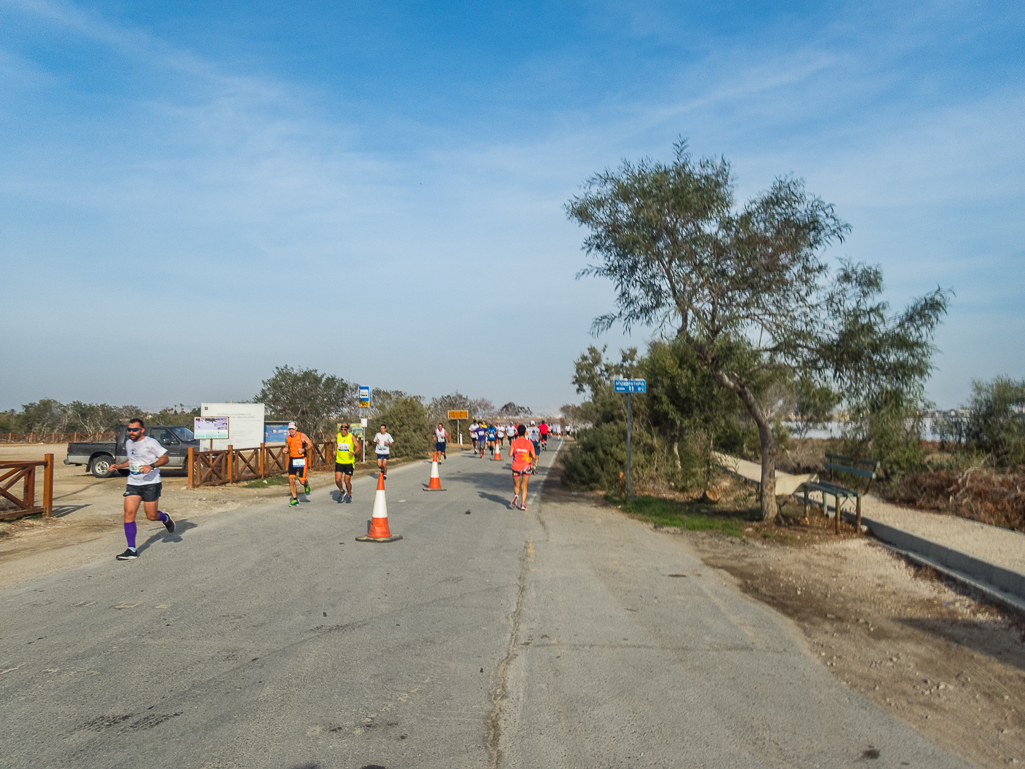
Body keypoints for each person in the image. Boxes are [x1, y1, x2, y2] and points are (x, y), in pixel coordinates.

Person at [110, 418, 174, 560]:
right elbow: (131, 460)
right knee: (128, 513)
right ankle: (131, 549)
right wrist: (119, 466)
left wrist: (151, 466)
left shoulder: (150, 442)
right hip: (133, 483)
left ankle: (166, 518)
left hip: (151, 482)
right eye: (129, 430)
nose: (131, 432)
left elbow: (165, 459)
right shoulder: (128, 443)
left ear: (142, 430)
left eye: (134, 430)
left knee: (151, 516)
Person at [509, 424, 537, 511]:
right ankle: (523, 504)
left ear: (517, 432)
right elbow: (534, 456)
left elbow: (510, 454)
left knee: (516, 485)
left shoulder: (514, 442)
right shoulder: (529, 443)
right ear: (525, 432)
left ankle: (516, 495)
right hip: (527, 466)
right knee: (524, 485)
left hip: (516, 466)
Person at [286, 421, 314, 507]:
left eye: (293, 429)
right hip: (292, 460)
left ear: (296, 428)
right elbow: (287, 447)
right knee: (291, 480)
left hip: (301, 459)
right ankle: (295, 499)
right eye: (290, 429)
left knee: (301, 480)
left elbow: (310, 445)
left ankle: (306, 484)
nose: (291, 431)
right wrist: (286, 450)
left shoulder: (302, 435)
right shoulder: (288, 438)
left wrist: (304, 449)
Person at [334, 422, 361, 503]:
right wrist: (335, 450)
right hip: (339, 461)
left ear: (348, 430)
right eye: (341, 429)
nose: (343, 431)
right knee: (338, 480)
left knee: (347, 481)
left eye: (345, 430)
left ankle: (349, 495)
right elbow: (336, 443)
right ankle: (342, 491)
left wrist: (354, 453)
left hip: (349, 462)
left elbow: (358, 447)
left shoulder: (351, 437)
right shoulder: (337, 436)